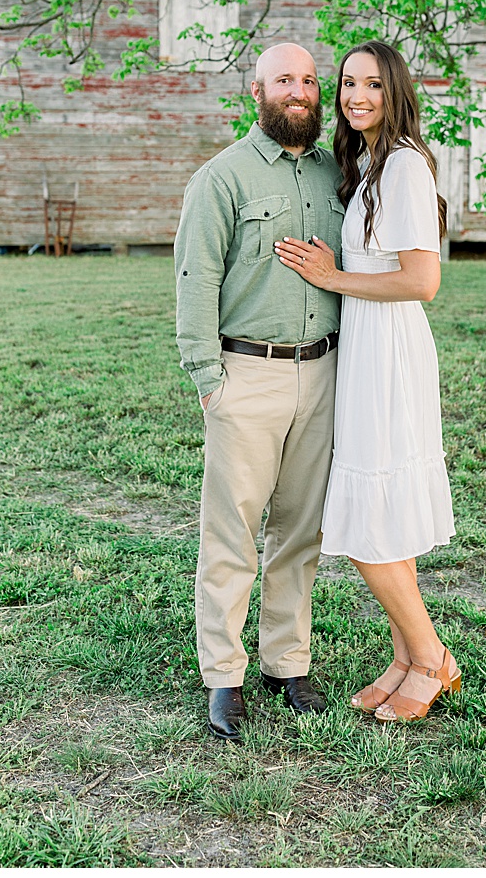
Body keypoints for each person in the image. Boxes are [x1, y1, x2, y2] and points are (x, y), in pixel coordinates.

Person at [273, 38, 460, 722]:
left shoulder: (405, 165)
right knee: (380, 515)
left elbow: (422, 280)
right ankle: (406, 658)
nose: (356, 97)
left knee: (372, 523)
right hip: (367, 347)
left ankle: (433, 656)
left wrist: (330, 277)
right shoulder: (372, 163)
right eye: (348, 83)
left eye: (372, 86)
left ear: (395, 93)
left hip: (390, 349)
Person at [175, 42, 346, 741]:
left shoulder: (340, 173)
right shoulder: (222, 179)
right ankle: (224, 676)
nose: (299, 91)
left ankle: (288, 663)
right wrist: (209, 382)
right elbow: (194, 282)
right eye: (285, 79)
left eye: (308, 80)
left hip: (325, 374)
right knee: (232, 536)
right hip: (247, 375)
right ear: (257, 90)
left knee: (301, 530)